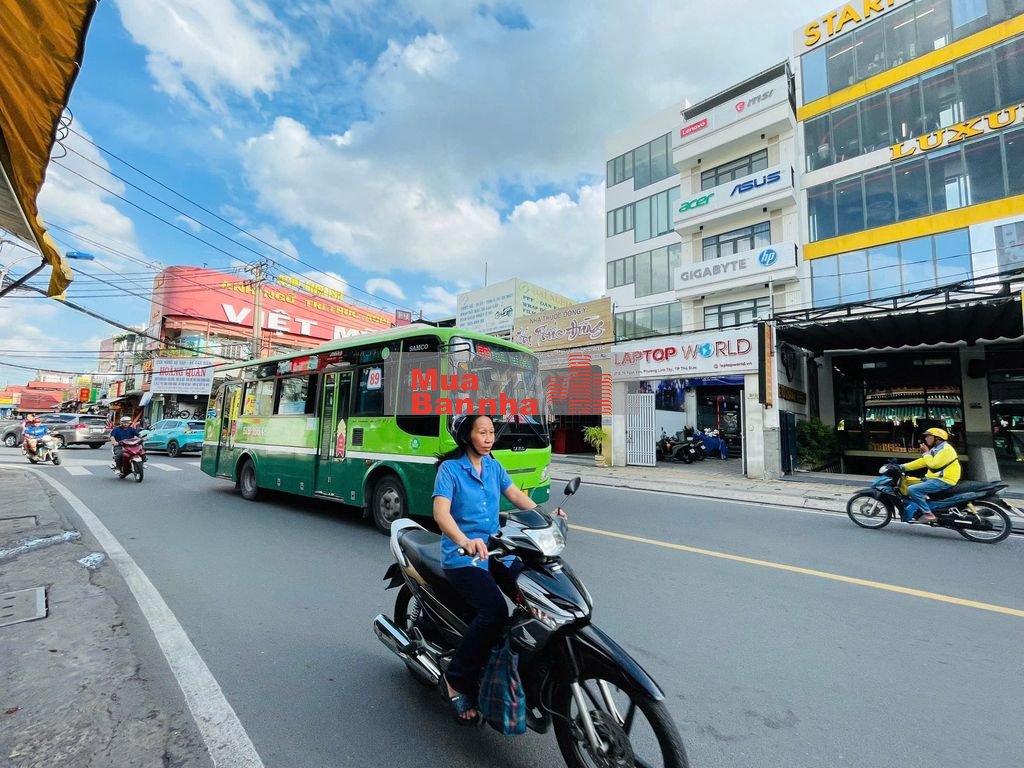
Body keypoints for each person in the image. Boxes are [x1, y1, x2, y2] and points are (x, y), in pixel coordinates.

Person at [432, 414, 564, 725]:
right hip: (464, 558)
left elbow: (516, 495)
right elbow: (441, 514)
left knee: (536, 592)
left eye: (492, 432)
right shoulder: (450, 470)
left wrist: (547, 517)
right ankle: (456, 680)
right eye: (483, 432)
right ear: (467, 437)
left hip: (496, 550)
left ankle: (515, 660)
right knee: (493, 613)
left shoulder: (493, 466)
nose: (489, 438)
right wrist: (464, 541)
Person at [901, 427, 961, 523]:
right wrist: (901, 467)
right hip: (934, 479)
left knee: (913, 489)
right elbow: (923, 462)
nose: (926, 439)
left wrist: (926, 452)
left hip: (943, 480)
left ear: (937, 438)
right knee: (909, 482)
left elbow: (933, 466)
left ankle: (928, 514)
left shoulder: (946, 450)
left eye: (928, 436)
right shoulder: (936, 449)